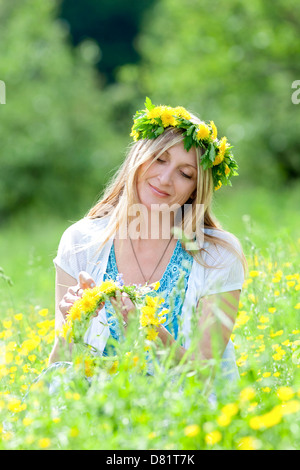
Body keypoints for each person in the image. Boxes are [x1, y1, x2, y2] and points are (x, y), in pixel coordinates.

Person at [48, 99, 247, 386]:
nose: (165, 179)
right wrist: (73, 325)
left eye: (185, 173)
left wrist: (152, 331)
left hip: (184, 415)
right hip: (96, 413)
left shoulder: (217, 254)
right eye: (159, 159)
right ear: (137, 159)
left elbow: (208, 370)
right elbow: (59, 366)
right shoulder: (81, 241)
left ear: (195, 189)